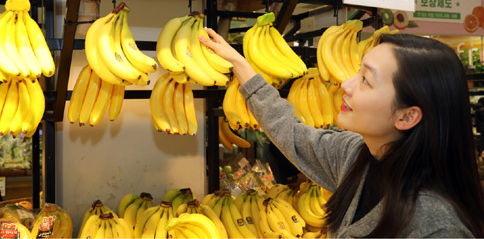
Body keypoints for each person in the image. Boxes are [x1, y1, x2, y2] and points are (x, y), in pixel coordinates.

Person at [199, 29, 484, 237]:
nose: (345, 85)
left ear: (407, 116)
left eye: (365, 81)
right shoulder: (355, 156)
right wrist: (241, 65)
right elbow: (291, 133)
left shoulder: (437, 227)